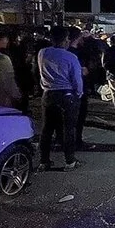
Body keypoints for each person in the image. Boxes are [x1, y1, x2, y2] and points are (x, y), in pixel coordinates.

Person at [37, 26, 84, 171]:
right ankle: (70, 161)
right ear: (65, 39)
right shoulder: (70, 57)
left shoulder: (42, 53)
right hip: (66, 94)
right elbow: (76, 78)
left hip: (48, 93)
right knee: (68, 129)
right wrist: (79, 93)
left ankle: (44, 161)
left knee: (46, 129)